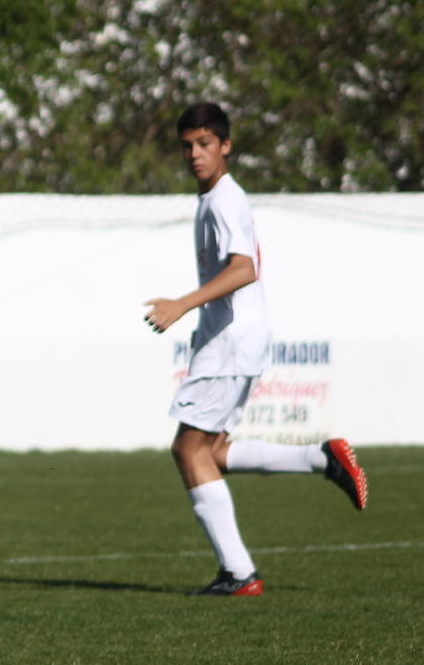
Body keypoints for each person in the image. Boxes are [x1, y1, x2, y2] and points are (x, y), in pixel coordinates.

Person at [144, 102, 366, 596]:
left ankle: (238, 572)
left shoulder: (224, 199)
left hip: (231, 341)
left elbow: (245, 268)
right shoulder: (215, 199)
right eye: (187, 146)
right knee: (212, 451)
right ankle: (320, 458)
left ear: (225, 146)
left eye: (204, 144)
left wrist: (181, 304)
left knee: (187, 449)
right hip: (233, 339)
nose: (194, 155)